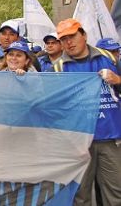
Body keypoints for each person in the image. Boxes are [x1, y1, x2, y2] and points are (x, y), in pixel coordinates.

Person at [50, 19, 121, 206]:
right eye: (63, 39)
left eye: (72, 36)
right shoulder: (58, 68)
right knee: (80, 196)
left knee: (116, 194)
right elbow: (49, 104)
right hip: (78, 142)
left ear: (84, 35)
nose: (68, 42)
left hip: (111, 139)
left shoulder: (110, 58)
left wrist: (118, 80)